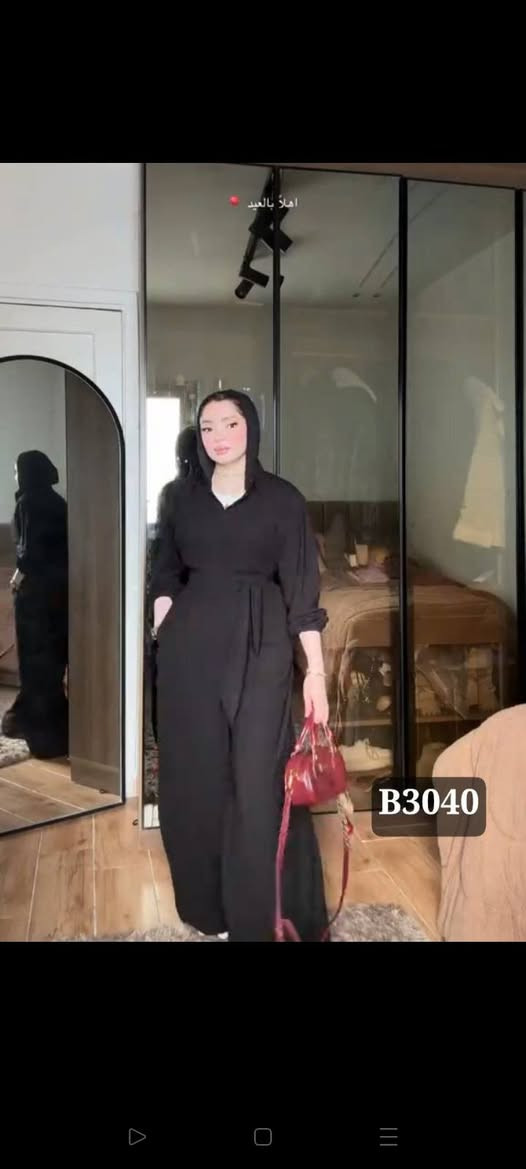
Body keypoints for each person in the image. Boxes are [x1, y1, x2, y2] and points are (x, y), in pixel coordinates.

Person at [150, 390, 330, 942]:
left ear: (251, 427)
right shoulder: (179, 498)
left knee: (260, 779)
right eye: (207, 427)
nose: (219, 436)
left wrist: (316, 673)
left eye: (230, 423)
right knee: (197, 776)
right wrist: (163, 623)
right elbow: (165, 571)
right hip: (191, 648)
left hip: (263, 643)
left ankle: (262, 915)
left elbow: (303, 594)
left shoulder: (283, 500)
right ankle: (209, 909)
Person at [1, 450, 68, 759]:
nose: (15, 476)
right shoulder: (58, 503)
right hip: (59, 597)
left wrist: (18, 577)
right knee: (51, 668)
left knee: (34, 667)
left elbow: (28, 554)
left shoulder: (28, 503)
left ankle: (43, 741)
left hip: (36, 600)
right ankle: (59, 735)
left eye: (17, 470)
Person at [148, 427, 199, 743]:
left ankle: (168, 738)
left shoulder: (172, 492)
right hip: (205, 593)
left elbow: (162, 549)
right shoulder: (220, 492)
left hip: (174, 589)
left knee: (168, 673)